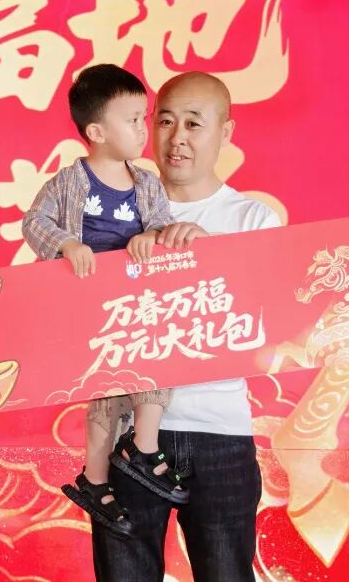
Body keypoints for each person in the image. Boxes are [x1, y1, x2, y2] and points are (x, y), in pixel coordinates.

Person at [91, 71, 281, 582]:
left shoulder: (253, 219)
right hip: (128, 435)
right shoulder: (113, 212)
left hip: (221, 432)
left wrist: (209, 258)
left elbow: (266, 326)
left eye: (194, 124)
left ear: (226, 131)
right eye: (166, 121)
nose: (177, 138)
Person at [22, 64, 207, 538]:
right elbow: (34, 222)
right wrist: (66, 243)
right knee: (105, 389)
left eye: (144, 117)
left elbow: (162, 225)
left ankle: (142, 448)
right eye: (132, 120)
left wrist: (153, 235)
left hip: (135, 304)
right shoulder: (69, 181)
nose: (144, 129)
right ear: (97, 132)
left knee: (155, 368)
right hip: (89, 305)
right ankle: (97, 475)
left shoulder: (147, 184)